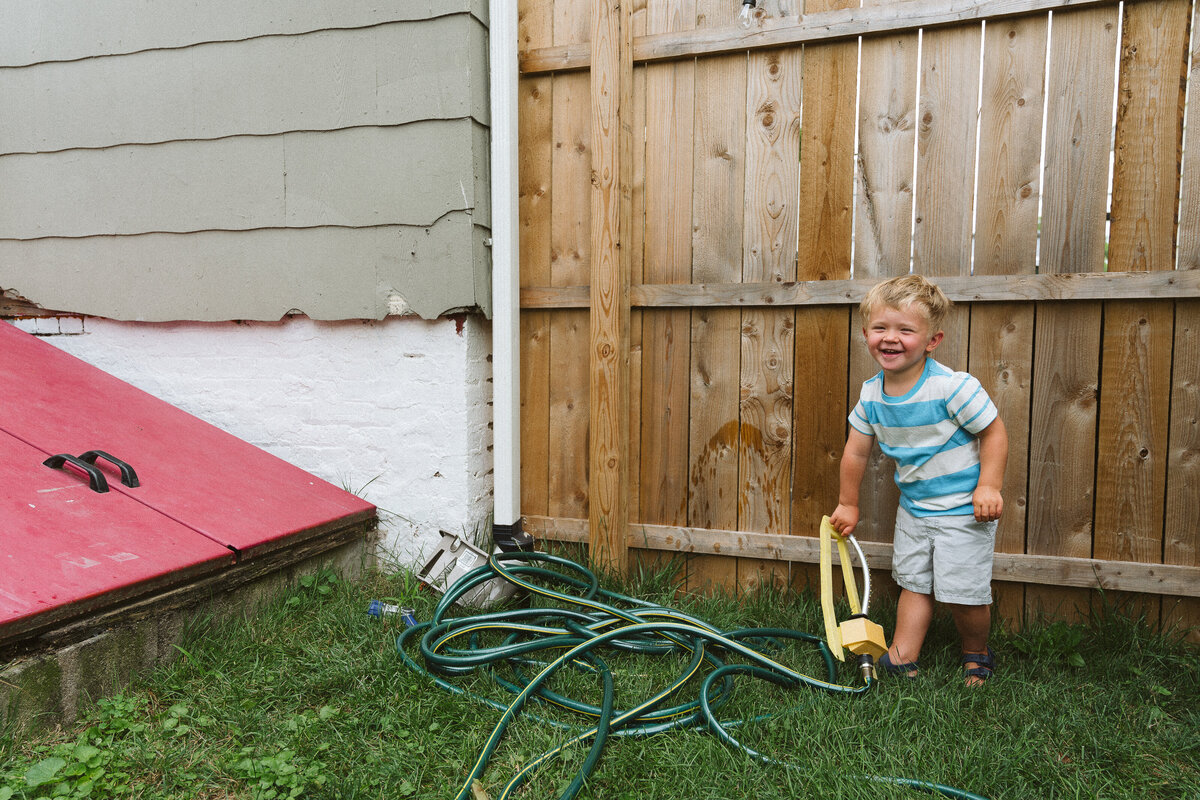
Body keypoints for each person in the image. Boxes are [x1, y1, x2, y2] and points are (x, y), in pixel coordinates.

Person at [829, 274, 1008, 686]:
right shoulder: (871, 395)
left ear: (932, 340)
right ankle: (902, 655)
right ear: (866, 334)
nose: (890, 338)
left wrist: (989, 486)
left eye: (905, 330)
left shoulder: (951, 387)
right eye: (880, 327)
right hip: (913, 510)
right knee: (914, 584)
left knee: (964, 595)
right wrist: (848, 503)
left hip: (964, 511)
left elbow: (994, 432)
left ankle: (976, 652)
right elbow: (856, 452)